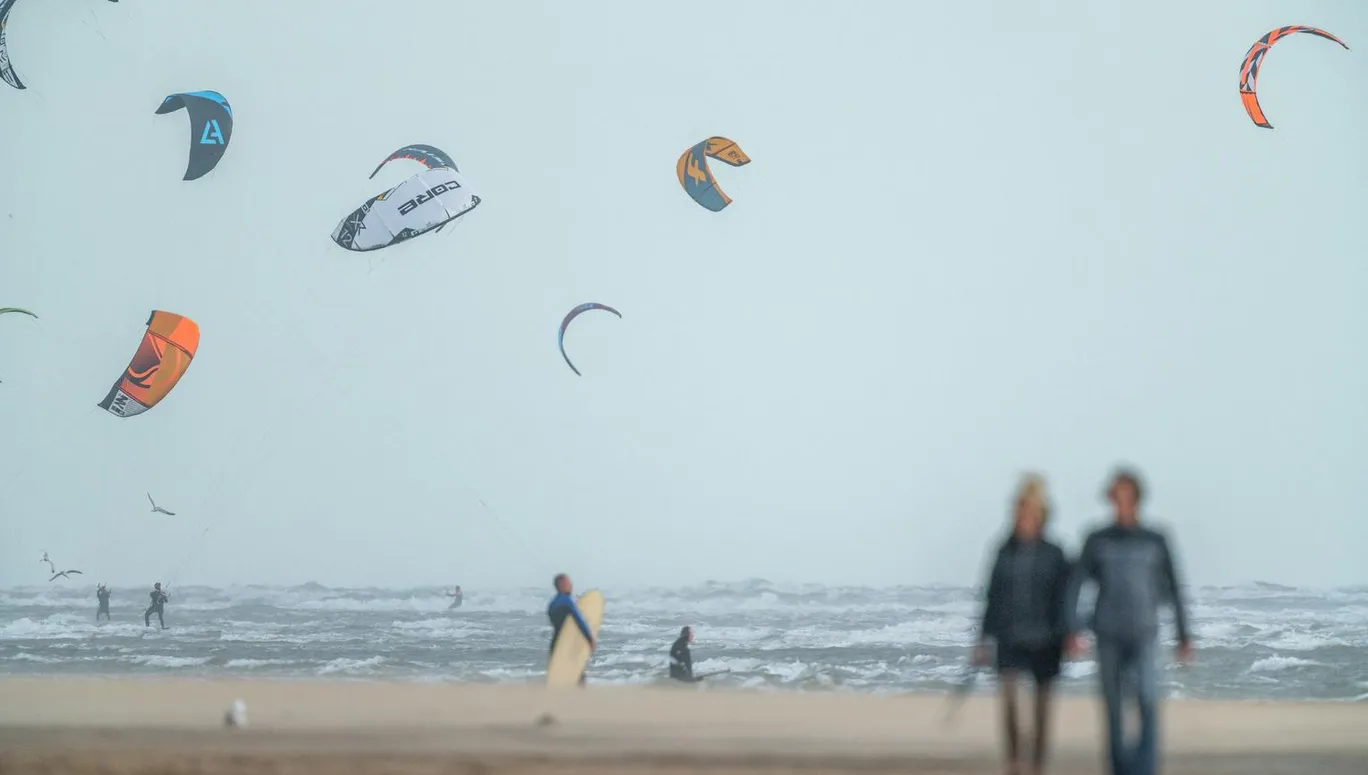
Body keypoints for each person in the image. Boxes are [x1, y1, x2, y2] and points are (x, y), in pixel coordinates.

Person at [1065, 468, 1192, 775]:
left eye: (1126, 495)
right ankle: (1119, 768)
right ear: (1111, 499)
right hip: (1108, 633)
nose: (1121, 501)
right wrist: (1071, 629)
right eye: (1116, 495)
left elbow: (1175, 586)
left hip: (1144, 633)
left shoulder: (1156, 539)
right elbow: (1075, 584)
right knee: (1113, 708)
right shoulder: (1097, 539)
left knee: (1148, 700)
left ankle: (1145, 769)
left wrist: (1184, 635)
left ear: (1136, 498)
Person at [974, 474, 1072, 775]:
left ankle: (1038, 764)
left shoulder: (1055, 553)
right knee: (1010, 702)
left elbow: (1065, 599)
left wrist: (1069, 633)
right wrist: (983, 638)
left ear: (1040, 516)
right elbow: (992, 595)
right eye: (1020, 513)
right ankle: (1015, 761)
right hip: (1010, 638)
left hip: (1046, 639)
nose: (1024, 519)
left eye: (1030, 514)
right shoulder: (1003, 550)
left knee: (1042, 708)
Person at [547, 573, 594, 686]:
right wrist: (590, 639)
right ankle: (578, 699)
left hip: (555, 644)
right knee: (578, 675)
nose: (571, 585)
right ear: (562, 585)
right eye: (568, 583)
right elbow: (580, 621)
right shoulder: (566, 601)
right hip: (567, 644)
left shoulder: (552, 604)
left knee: (559, 676)